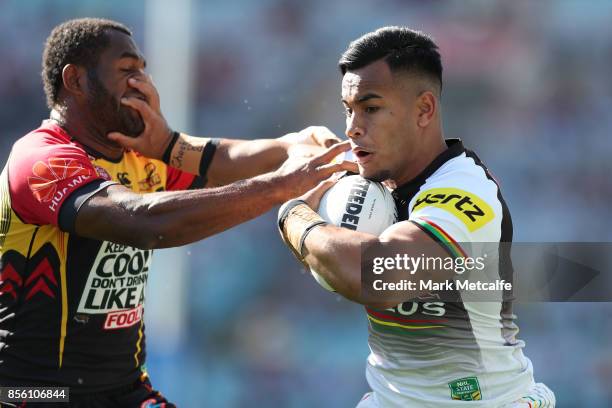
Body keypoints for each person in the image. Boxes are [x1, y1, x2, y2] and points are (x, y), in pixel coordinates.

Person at [0, 18, 356, 407]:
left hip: (124, 390)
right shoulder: (42, 160)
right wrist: (279, 185)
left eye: (142, 70)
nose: (142, 83)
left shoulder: (140, 156)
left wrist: (294, 146)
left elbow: (220, 161)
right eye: (126, 70)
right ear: (77, 80)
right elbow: (144, 223)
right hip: (35, 392)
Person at [278, 27, 556, 407]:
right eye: (349, 110)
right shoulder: (370, 176)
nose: (352, 127)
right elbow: (332, 263)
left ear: (424, 109)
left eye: (371, 108)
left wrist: (296, 219)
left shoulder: (464, 192)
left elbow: (380, 277)